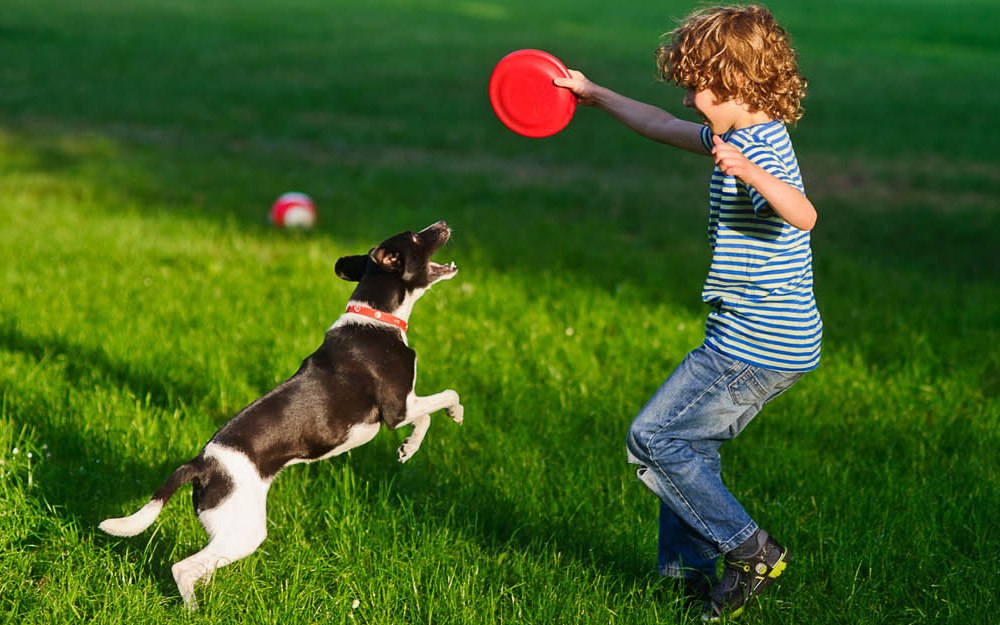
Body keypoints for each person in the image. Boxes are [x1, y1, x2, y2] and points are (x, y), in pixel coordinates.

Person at [554, 4, 822, 620]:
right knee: (689, 447)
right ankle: (687, 577)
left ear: (743, 86)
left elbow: (804, 214)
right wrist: (593, 93)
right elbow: (655, 123)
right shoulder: (735, 133)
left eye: (704, 87)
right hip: (757, 336)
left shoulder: (763, 152)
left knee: (653, 438)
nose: (691, 100)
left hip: (757, 345)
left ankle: (750, 549)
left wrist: (752, 172)